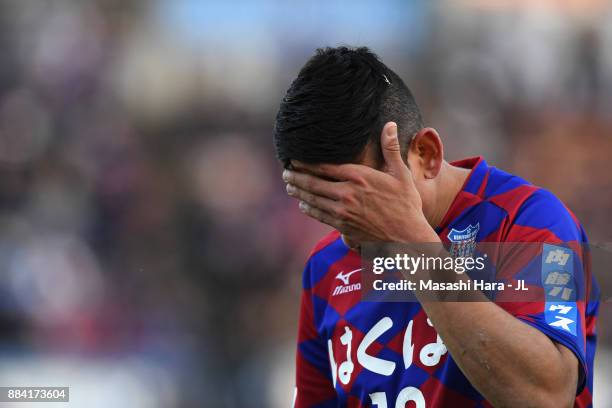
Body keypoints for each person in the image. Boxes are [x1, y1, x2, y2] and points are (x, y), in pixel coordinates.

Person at [274, 46, 598, 407]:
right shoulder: (326, 267)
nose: (347, 220)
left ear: (425, 154)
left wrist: (409, 242)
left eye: (360, 193)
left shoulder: (532, 221)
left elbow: (547, 396)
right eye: (323, 202)